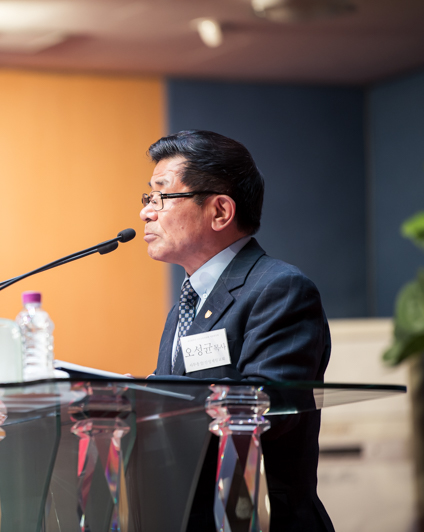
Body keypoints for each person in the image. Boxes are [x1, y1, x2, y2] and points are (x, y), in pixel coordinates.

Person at [140, 130, 334, 531]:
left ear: (220, 211)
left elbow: (269, 408)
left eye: (160, 196)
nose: (146, 212)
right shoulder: (185, 305)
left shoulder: (280, 288)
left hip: (259, 519)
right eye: (147, 198)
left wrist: (149, 400)